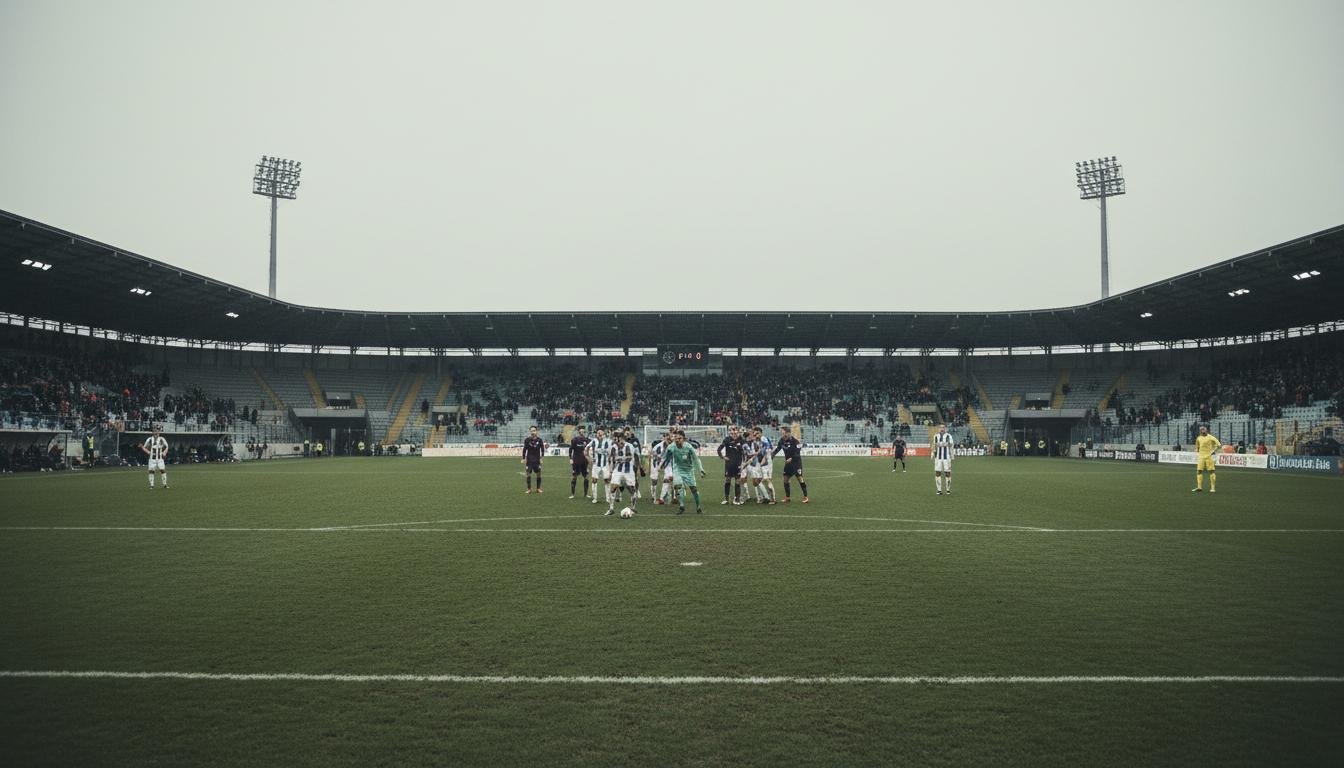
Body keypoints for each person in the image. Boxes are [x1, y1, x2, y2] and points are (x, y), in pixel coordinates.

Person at [662, 429, 706, 515]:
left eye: (680, 438)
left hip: (689, 470)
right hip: (677, 469)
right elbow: (666, 457)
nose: (677, 440)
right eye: (676, 438)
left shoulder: (689, 447)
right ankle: (681, 506)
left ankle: (698, 507)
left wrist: (701, 469)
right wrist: (663, 464)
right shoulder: (671, 447)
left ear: (684, 439)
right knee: (679, 487)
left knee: (694, 489)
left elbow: (696, 459)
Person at [604, 432, 640, 516]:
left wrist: (621, 459)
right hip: (617, 471)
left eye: (619, 439)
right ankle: (611, 508)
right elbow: (611, 459)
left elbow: (629, 457)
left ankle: (633, 508)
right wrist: (610, 471)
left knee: (631, 490)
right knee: (613, 488)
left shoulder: (629, 446)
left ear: (623, 439)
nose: (618, 441)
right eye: (616, 439)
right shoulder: (613, 447)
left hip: (628, 471)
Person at [772, 426, 809, 503]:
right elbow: (777, 449)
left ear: (788, 433)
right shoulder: (781, 441)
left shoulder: (795, 441)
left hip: (796, 463)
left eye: (782, 431)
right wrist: (771, 457)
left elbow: (797, 453)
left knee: (800, 478)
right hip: (788, 463)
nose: (781, 433)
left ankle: (805, 497)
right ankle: (787, 497)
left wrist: (791, 458)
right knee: (785, 479)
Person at [717, 425, 745, 505]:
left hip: (738, 464)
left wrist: (743, 462)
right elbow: (719, 449)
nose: (734, 434)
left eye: (735, 432)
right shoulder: (727, 439)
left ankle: (737, 499)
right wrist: (722, 457)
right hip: (729, 464)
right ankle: (726, 499)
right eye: (732, 432)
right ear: (730, 433)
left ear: (738, 432)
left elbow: (744, 452)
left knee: (737, 481)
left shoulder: (742, 440)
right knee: (728, 480)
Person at [586, 428, 612, 505]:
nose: (600, 435)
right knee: (594, 480)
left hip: (605, 465)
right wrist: (589, 458)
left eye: (601, 434)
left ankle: (608, 498)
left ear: (604, 435)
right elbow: (586, 449)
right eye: (598, 433)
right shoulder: (593, 441)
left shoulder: (608, 441)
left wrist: (610, 459)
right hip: (596, 464)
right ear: (596, 434)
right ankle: (595, 498)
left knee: (607, 480)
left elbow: (612, 450)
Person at [1192, 425, 1221, 493]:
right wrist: (1197, 450)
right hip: (1201, 457)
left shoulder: (1211, 437)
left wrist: (1214, 451)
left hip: (1209, 456)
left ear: (1206, 430)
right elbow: (1197, 447)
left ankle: (1213, 488)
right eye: (1201, 430)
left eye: (1203, 429)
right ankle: (1199, 487)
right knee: (1199, 471)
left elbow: (1219, 445)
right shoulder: (1198, 438)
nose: (1202, 431)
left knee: (1211, 471)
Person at [140, 424, 170, 490]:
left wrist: (165, 452)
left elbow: (167, 446)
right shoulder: (149, 439)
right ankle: (152, 485)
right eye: (155, 430)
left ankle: (165, 484)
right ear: (153, 432)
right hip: (152, 459)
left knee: (162, 470)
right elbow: (144, 447)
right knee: (151, 471)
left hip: (160, 458)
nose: (156, 432)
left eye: (158, 430)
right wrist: (148, 452)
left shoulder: (162, 439)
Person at [568, 426, 591, 499]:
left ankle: (586, 494)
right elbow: (570, 449)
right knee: (574, 477)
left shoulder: (588, 440)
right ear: (578, 432)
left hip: (585, 461)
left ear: (585, 432)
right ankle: (572, 494)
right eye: (581, 432)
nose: (582, 433)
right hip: (576, 461)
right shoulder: (574, 440)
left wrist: (590, 458)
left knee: (586, 477)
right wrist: (570, 458)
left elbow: (590, 451)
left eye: (583, 432)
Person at [522, 426, 545, 493]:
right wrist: (523, 458)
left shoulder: (540, 440)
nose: (533, 432)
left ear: (536, 431)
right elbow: (524, 449)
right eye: (531, 431)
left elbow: (542, 449)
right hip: (529, 460)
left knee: (538, 474)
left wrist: (542, 458)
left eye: (534, 430)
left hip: (537, 460)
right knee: (528, 474)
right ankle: (529, 489)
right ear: (530, 432)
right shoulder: (527, 440)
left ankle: (538, 488)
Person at [933, 424, 954, 495]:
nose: (942, 429)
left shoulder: (949, 436)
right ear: (938, 428)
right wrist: (933, 454)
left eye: (943, 427)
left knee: (947, 472)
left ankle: (948, 489)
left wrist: (952, 456)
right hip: (938, 458)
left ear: (945, 429)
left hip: (946, 457)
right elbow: (934, 445)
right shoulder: (935, 436)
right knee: (937, 472)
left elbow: (951, 444)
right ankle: (939, 490)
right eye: (940, 427)